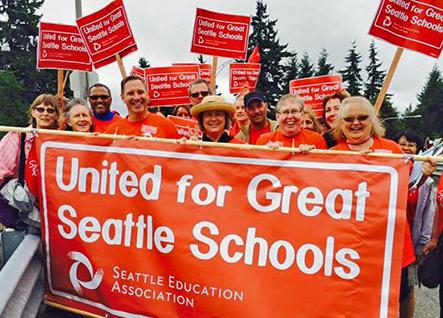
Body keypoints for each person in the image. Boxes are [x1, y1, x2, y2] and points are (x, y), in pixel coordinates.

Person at [331, 96, 436, 316]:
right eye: (349, 119)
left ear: (373, 121)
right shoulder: (331, 155)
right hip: (349, 243)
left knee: (400, 293)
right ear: (341, 124)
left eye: (362, 117)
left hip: (390, 239)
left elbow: (407, 190)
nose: (356, 123)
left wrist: (425, 176)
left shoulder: (392, 150)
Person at [393, 131, 436, 318]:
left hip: (410, 242)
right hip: (389, 240)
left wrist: (424, 243)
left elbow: (429, 213)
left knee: (407, 289)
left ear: (418, 149)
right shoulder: (387, 172)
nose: (405, 148)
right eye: (401, 143)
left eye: (410, 144)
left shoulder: (425, 181)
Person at [0, 94, 60, 227]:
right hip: (24, 205)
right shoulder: (18, 135)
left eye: (50, 110)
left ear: (56, 115)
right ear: (33, 112)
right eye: (40, 109)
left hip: (54, 205)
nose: (45, 113)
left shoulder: (63, 139)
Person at [104, 75, 179, 139]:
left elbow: (180, 154)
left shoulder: (166, 126)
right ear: (123, 98)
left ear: (147, 94)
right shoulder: (113, 131)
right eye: (130, 93)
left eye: (140, 92)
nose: (136, 97)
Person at [256, 94, 327, 149]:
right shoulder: (264, 141)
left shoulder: (317, 140)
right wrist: (266, 153)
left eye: (294, 111)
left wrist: (313, 155)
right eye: (285, 112)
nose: (290, 116)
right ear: (277, 116)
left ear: (301, 114)